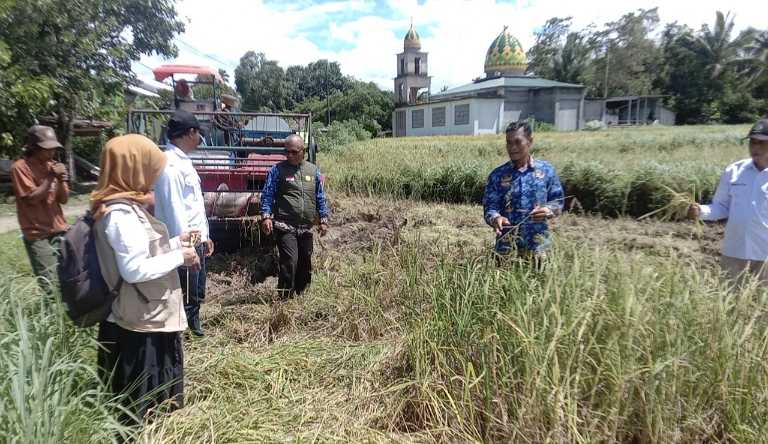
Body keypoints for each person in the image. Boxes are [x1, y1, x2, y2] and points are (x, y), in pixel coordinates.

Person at [90, 134, 200, 424]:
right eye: (149, 168)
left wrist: (176, 243)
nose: (153, 176)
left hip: (144, 317)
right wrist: (181, 257)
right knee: (137, 414)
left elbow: (142, 252)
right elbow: (134, 269)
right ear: (132, 169)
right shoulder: (120, 214)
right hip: (136, 329)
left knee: (149, 409)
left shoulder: (123, 206)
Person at [154, 110, 213, 337]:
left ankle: (193, 324)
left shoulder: (183, 162)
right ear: (190, 133)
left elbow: (194, 206)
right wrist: (187, 249)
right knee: (185, 286)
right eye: (199, 133)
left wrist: (205, 237)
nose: (200, 139)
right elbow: (175, 210)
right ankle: (183, 332)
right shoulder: (170, 166)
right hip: (183, 239)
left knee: (196, 285)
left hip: (194, 235)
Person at [688, 118, 768, 283]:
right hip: (734, 253)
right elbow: (722, 206)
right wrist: (701, 211)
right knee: (730, 304)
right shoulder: (734, 170)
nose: (755, 147)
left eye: (762, 143)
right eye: (752, 142)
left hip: (765, 255)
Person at [482, 121, 564, 266]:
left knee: (540, 286)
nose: (512, 147)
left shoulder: (546, 171)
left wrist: (548, 210)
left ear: (530, 141)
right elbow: (490, 207)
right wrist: (495, 218)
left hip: (538, 247)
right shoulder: (497, 175)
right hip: (506, 249)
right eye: (508, 143)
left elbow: (558, 201)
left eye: (518, 142)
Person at [260, 134, 330, 298]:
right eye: (286, 152)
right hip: (285, 225)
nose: (289, 155)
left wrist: (323, 219)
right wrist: (266, 216)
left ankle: (302, 294)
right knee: (290, 261)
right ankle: (284, 298)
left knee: (305, 262)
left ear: (303, 151)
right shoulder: (277, 170)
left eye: (293, 152)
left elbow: (319, 196)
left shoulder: (313, 171)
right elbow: (268, 194)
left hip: (306, 226)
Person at [10, 125, 70, 294]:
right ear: (34, 148)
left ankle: (70, 316)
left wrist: (62, 179)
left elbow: (63, 200)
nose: (51, 153)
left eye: (53, 149)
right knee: (50, 283)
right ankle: (55, 317)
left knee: (68, 276)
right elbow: (31, 198)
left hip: (59, 229)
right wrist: (51, 177)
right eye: (47, 149)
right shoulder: (20, 168)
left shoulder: (53, 165)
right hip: (38, 233)